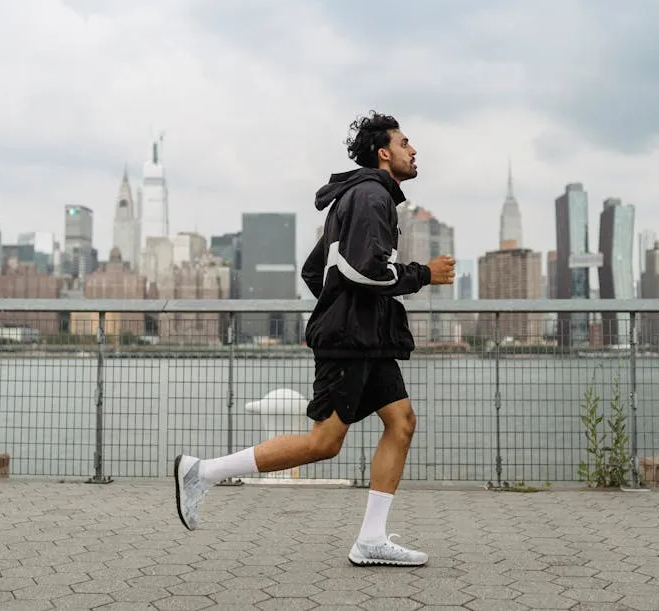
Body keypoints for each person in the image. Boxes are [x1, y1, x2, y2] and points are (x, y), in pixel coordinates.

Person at [173, 111, 456, 567]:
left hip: (366, 338)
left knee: (401, 422)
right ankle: (202, 472)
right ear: (383, 153)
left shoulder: (362, 197)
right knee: (324, 442)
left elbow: (315, 270)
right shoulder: (370, 196)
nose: (414, 149)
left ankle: (370, 540)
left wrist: (340, 307)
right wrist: (424, 275)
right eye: (406, 142)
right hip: (351, 340)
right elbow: (363, 269)